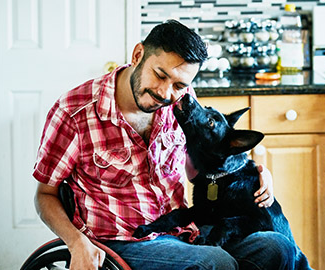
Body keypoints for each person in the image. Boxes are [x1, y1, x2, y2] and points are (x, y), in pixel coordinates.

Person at [33, 19, 301, 270]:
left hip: (183, 231)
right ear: (138, 55)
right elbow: (45, 195)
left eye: (179, 84)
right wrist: (75, 242)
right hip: (119, 242)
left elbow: (203, 164)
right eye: (160, 75)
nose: (165, 93)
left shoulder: (181, 101)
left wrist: (256, 174)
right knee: (214, 263)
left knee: (278, 247)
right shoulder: (74, 112)